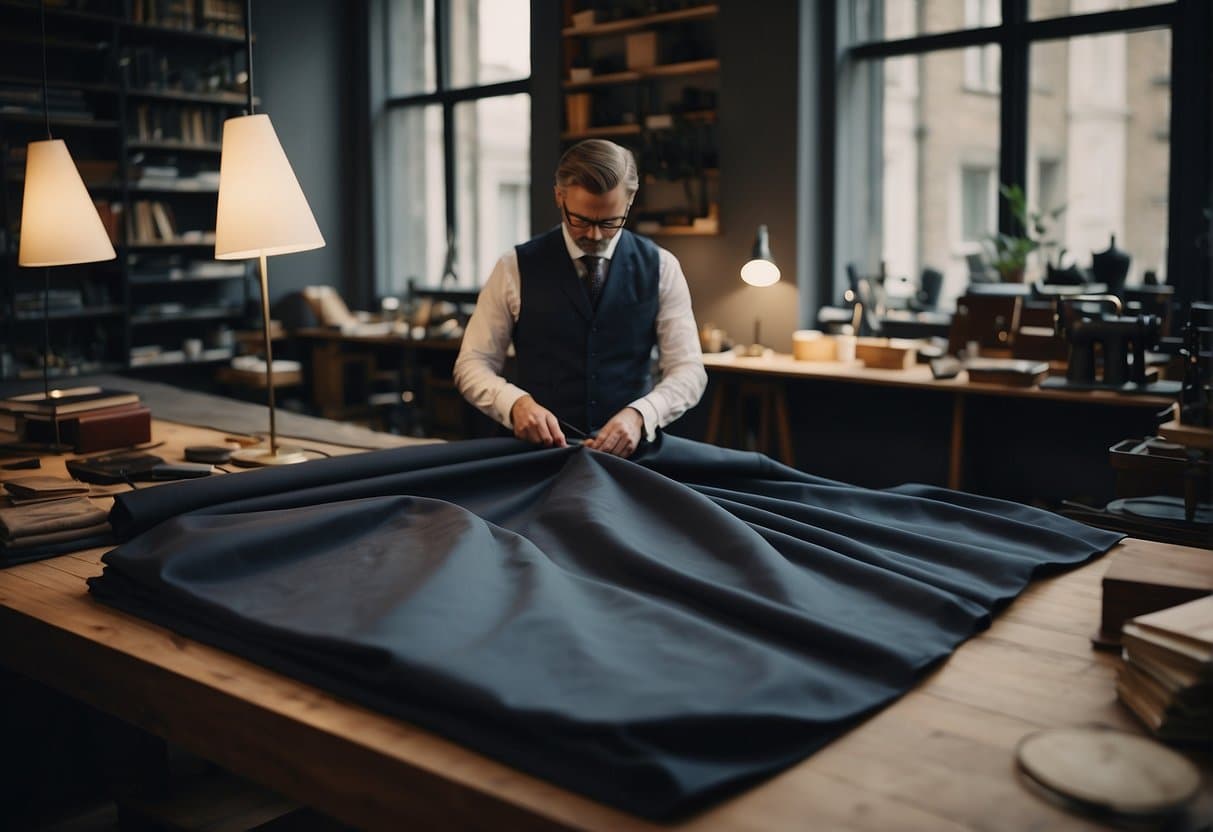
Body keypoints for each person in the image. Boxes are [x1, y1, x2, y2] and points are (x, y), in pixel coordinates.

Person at [454, 139, 706, 458]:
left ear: (629, 202)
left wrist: (641, 415)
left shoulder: (662, 268)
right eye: (582, 221)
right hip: (536, 456)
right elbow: (472, 363)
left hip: (631, 459)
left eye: (610, 222)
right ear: (560, 197)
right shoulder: (513, 267)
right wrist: (514, 404)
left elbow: (689, 371)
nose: (595, 236)